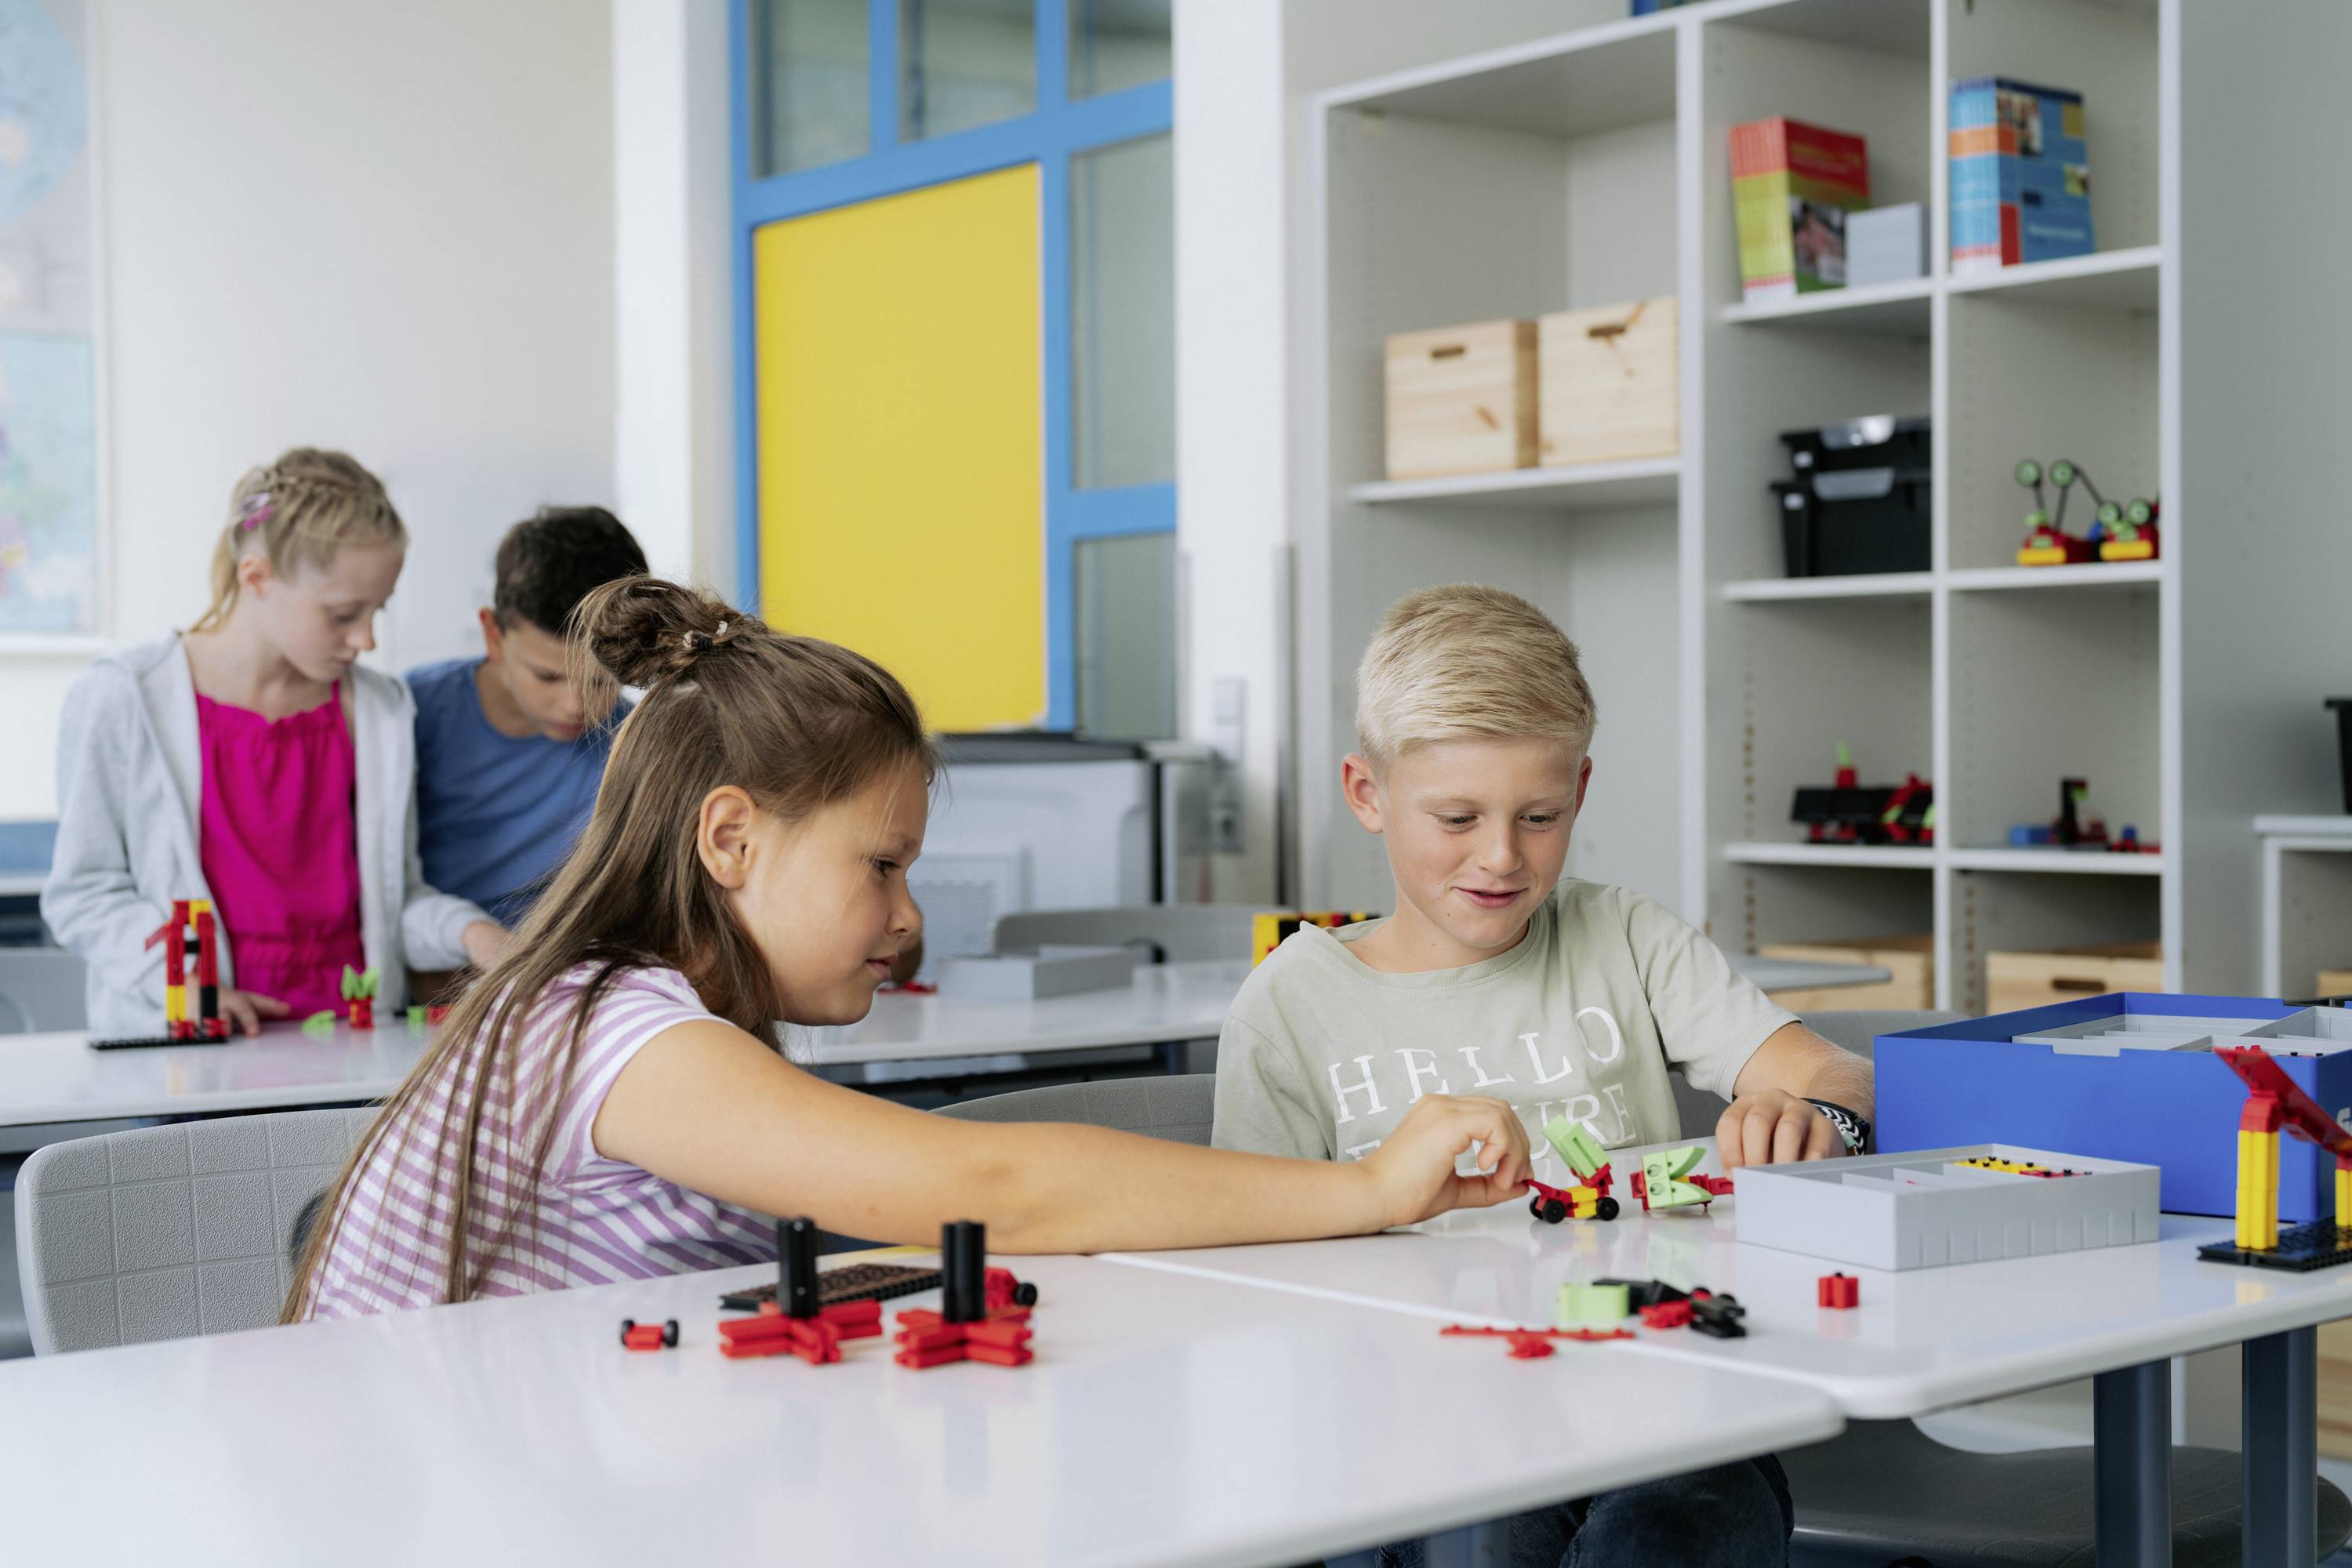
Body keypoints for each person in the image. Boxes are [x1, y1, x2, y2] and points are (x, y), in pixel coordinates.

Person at [285, 579, 1530, 1321]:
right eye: (880, 866)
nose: (908, 915)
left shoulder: (625, 1012)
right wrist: (1368, 1192)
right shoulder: (617, 1035)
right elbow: (998, 1191)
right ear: (731, 837)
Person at [1212, 583, 1877, 1566]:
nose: (1502, 856)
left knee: (1681, 1521)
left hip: (1668, 1411)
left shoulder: (1625, 936)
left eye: (1539, 814)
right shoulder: (1292, 1000)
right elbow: (1242, 1270)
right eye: (1456, 816)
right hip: (1414, 1422)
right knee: (1484, 1526)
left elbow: (1840, 1073)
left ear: (1582, 789)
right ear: (1366, 792)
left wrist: (1815, 1111)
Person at [44, 448, 505, 1038]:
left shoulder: (381, 711)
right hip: (190, 1054)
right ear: (256, 577)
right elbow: (84, 894)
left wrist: (474, 935)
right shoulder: (123, 697)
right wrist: (184, 982)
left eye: (377, 611)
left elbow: (396, 904)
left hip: (352, 1055)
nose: (365, 638)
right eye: (343, 614)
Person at [407, 506, 648, 926]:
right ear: (494, 636)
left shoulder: (637, 742)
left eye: (601, 680)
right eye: (548, 676)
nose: (576, 705)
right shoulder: (408, 716)